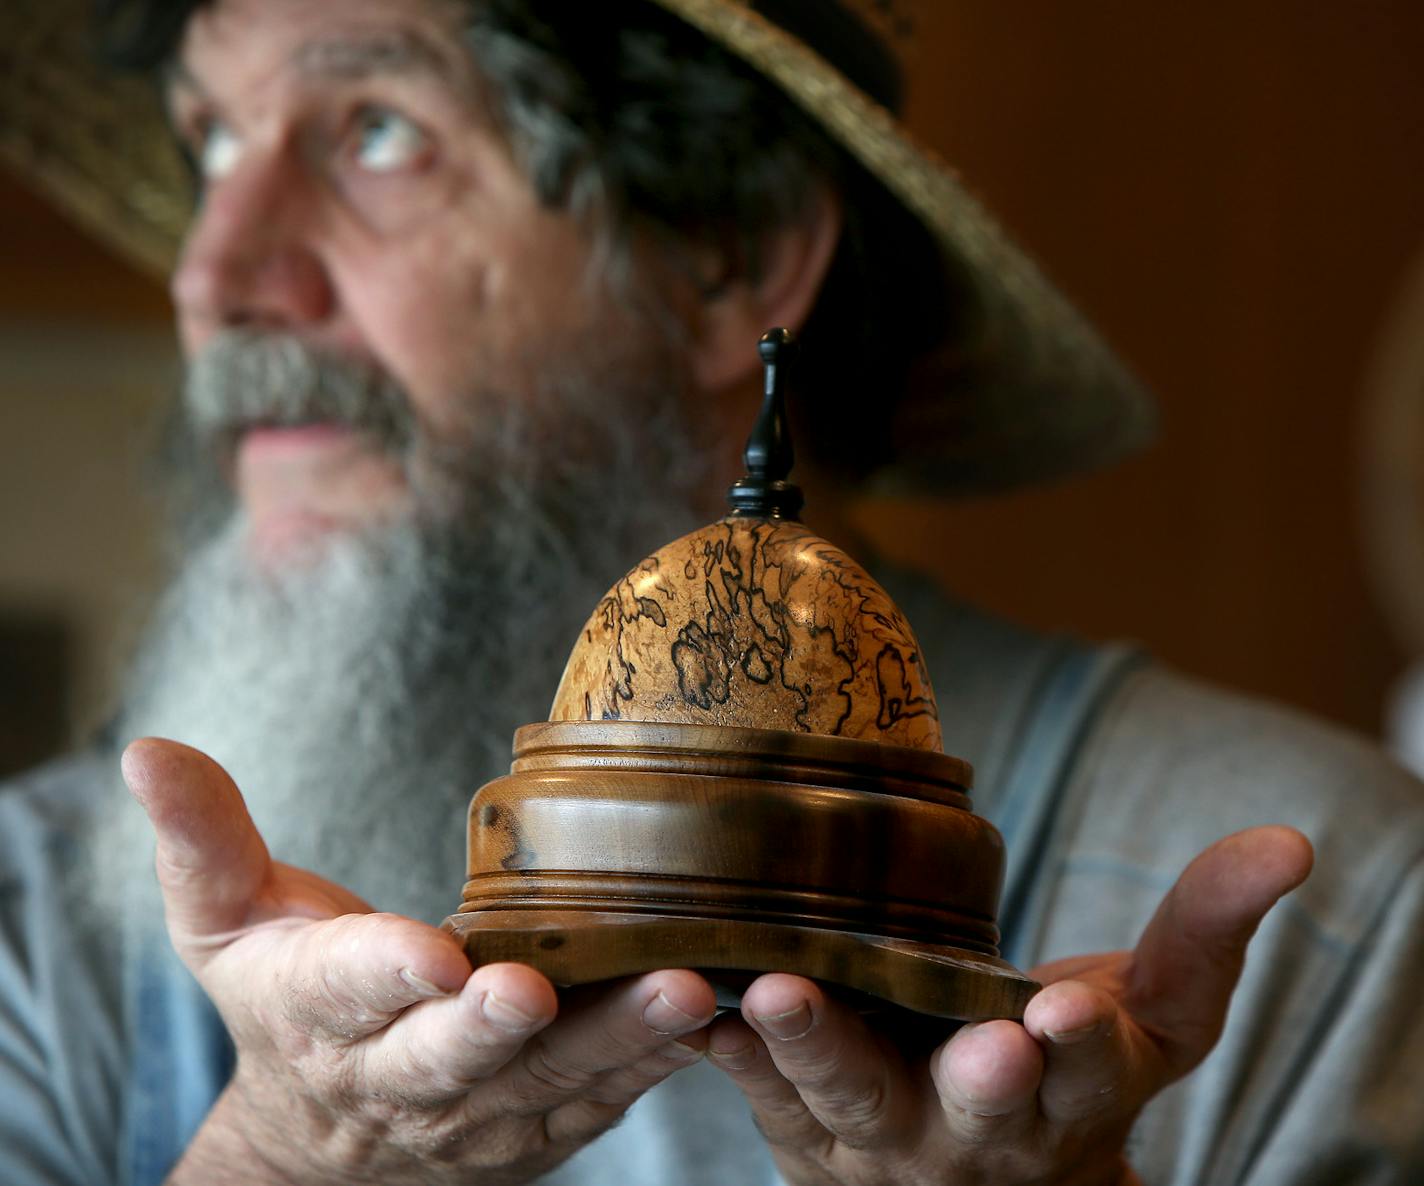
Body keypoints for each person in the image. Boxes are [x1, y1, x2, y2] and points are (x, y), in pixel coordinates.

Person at [1, 0, 1421, 1183]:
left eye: (379, 129)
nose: (215, 271)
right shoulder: (46, 919)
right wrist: (269, 1160)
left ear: (723, 259)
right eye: (216, 139)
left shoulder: (1322, 926)